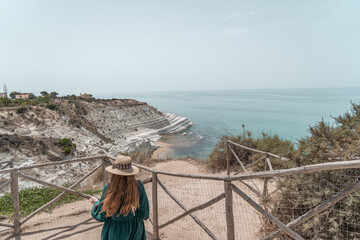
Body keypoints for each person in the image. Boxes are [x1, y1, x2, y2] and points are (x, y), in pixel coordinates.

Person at [90, 155, 149, 240]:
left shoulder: (109, 188)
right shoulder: (139, 186)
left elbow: (102, 215)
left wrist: (96, 203)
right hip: (136, 227)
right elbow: (145, 213)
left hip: (117, 230)